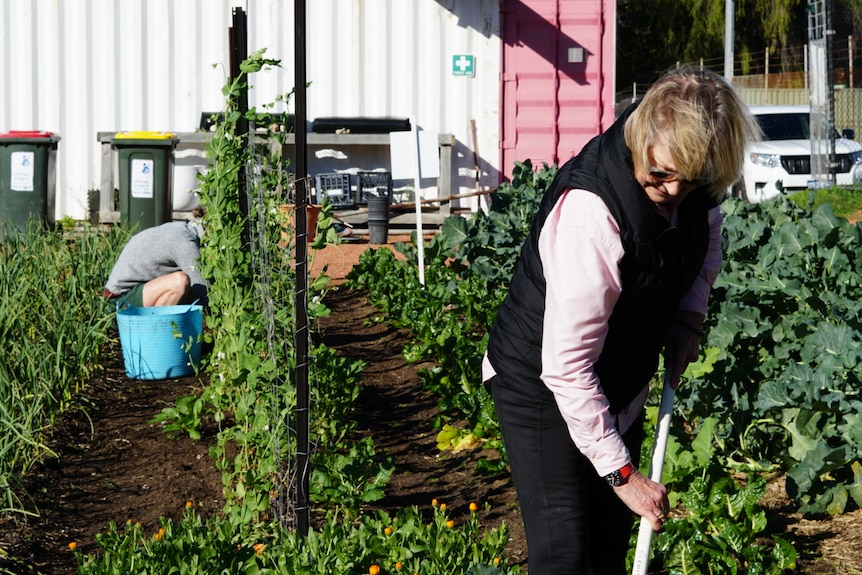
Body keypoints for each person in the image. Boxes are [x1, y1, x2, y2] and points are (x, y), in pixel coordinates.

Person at [483, 65, 759, 574]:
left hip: (618, 380)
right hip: (542, 386)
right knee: (565, 556)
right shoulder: (592, 212)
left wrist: (687, 320)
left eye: (691, 181)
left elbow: (706, 241)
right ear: (642, 141)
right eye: (661, 177)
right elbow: (566, 366)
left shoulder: (693, 186)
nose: (675, 192)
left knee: (610, 548)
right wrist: (624, 476)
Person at [105, 206, 207, 309]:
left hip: (141, 289)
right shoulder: (184, 243)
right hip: (119, 300)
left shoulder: (183, 228)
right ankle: (155, 324)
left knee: (188, 293)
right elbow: (202, 290)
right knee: (180, 282)